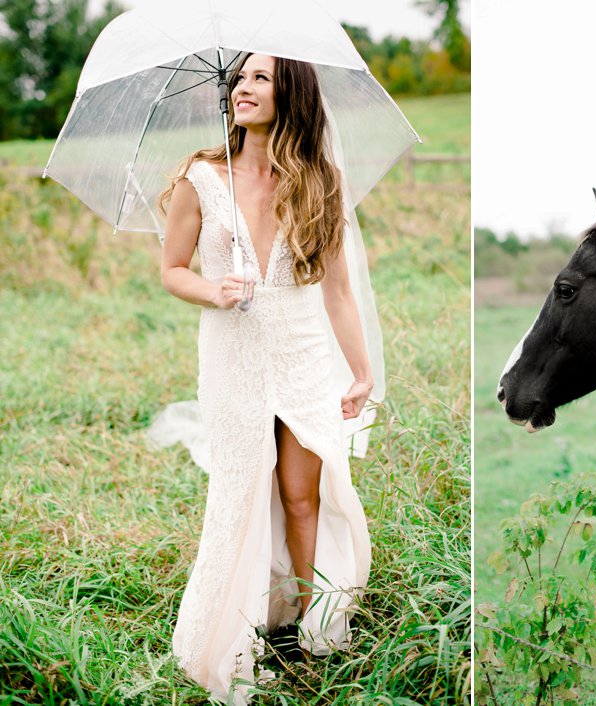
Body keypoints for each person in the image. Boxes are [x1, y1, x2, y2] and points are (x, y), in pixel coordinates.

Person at [159, 52, 375, 703]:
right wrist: (212, 290)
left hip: (303, 351)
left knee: (302, 493)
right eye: (241, 77)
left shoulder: (320, 180)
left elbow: (337, 290)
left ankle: (306, 633)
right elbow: (171, 269)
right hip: (233, 356)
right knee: (242, 489)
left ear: (293, 97)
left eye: (262, 79)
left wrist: (361, 370)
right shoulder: (201, 177)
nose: (244, 88)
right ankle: (238, 628)